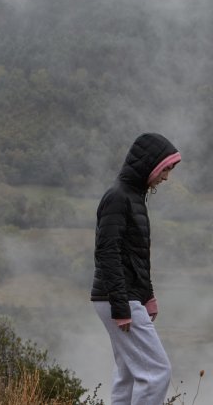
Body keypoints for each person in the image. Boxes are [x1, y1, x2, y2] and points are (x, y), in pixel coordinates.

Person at [91, 132, 180, 405]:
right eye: (165, 169)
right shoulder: (119, 197)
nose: (166, 177)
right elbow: (107, 253)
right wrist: (122, 306)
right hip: (119, 298)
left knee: (127, 373)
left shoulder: (132, 196)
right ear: (150, 164)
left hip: (123, 297)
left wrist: (148, 296)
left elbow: (137, 256)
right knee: (156, 372)